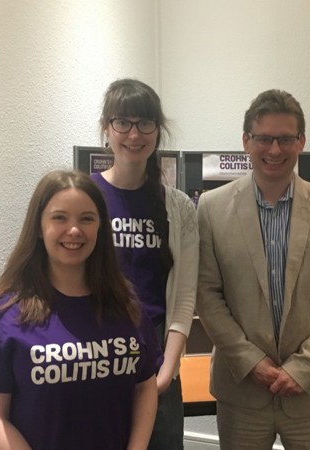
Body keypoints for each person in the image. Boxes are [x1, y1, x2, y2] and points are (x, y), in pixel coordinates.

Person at [195, 89, 310, 449]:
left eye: (286, 139)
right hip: (242, 391)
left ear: (301, 142)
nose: (274, 150)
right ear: (246, 141)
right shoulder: (211, 208)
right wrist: (251, 361)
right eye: (264, 138)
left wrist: (301, 369)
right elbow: (206, 294)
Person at [0, 170, 162, 450]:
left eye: (87, 219)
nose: (74, 230)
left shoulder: (125, 303)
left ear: (100, 228)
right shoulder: (4, 312)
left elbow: (145, 384)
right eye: (59, 217)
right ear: (39, 228)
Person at [93, 78, 199, 449]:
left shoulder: (179, 207)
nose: (134, 134)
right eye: (123, 122)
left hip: (154, 354)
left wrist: (167, 370)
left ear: (158, 131)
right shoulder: (84, 196)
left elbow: (184, 296)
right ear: (106, 128)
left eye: (145, 123)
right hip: (95, 350)